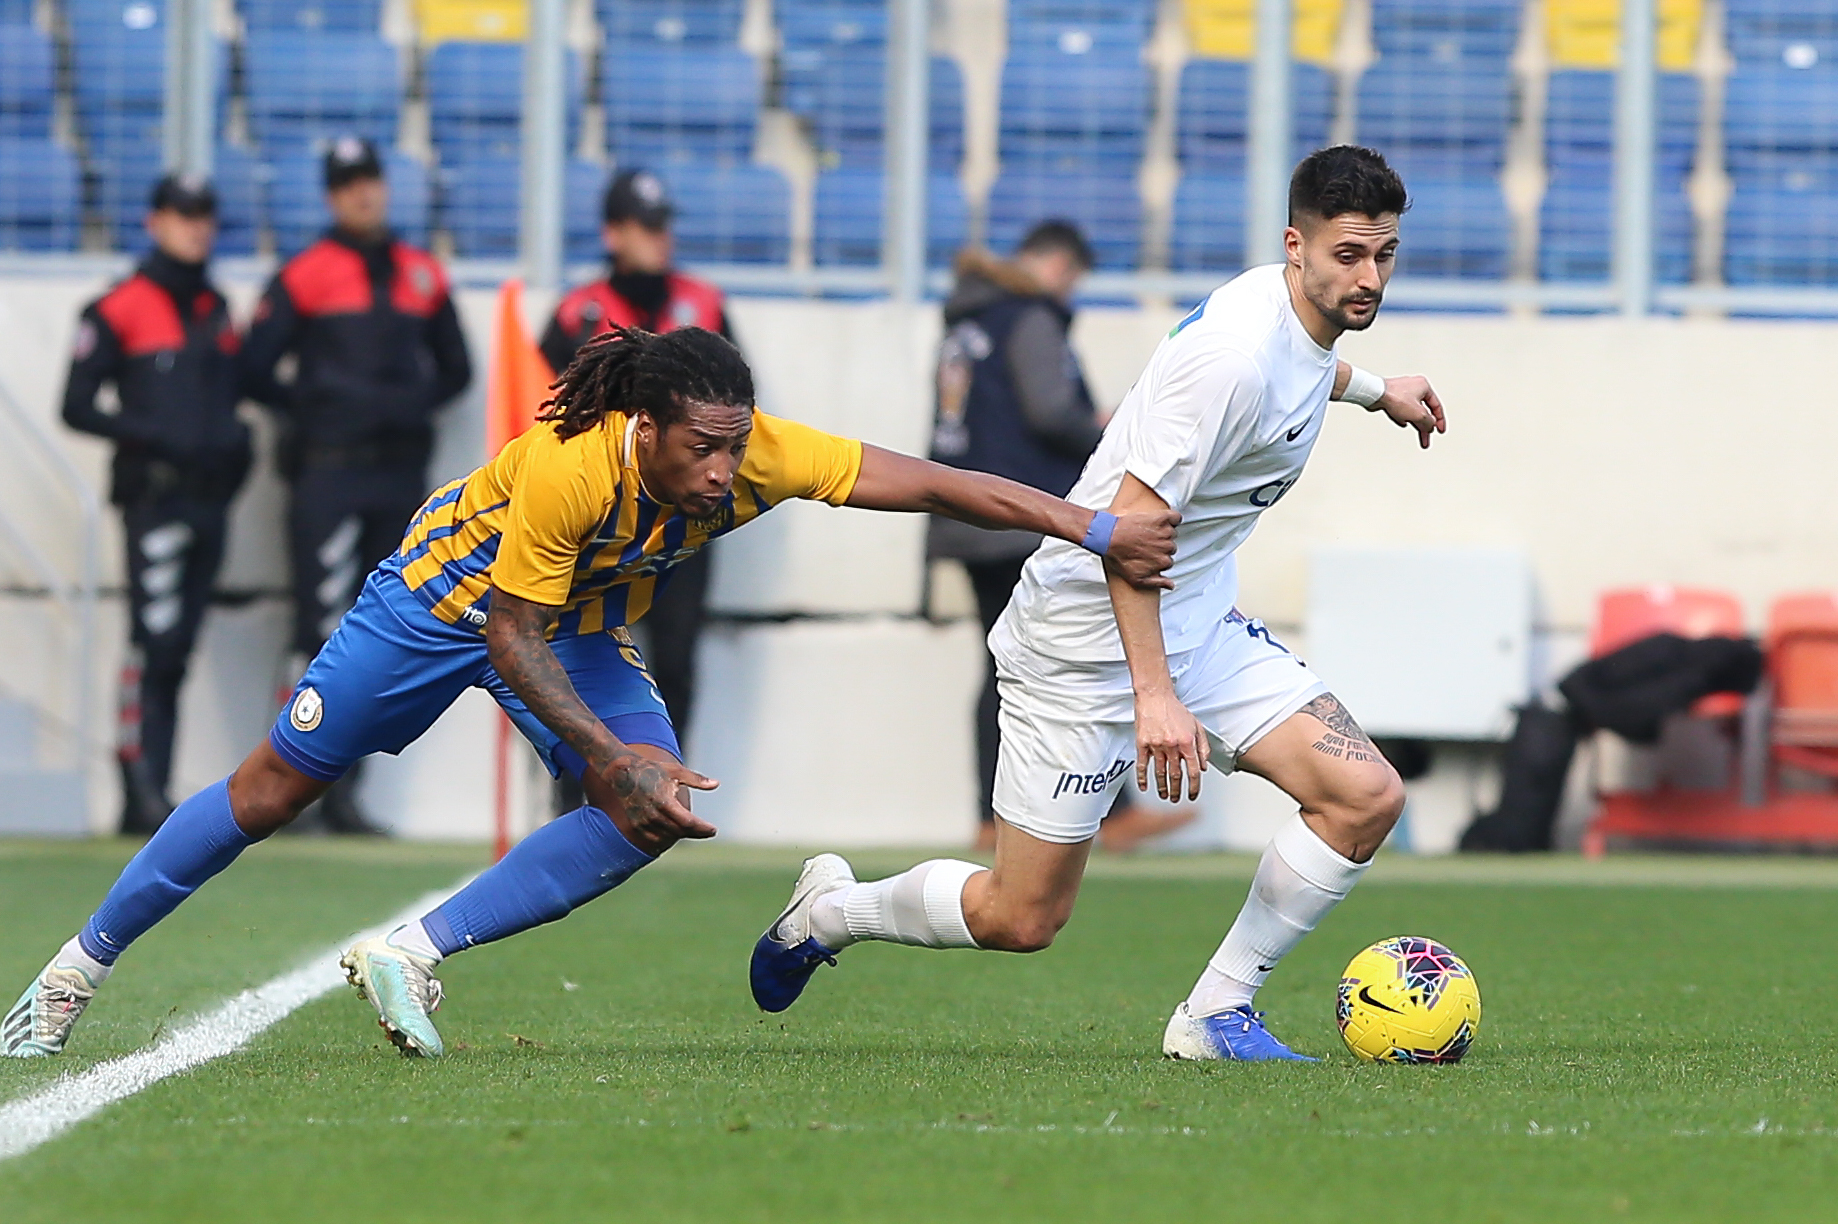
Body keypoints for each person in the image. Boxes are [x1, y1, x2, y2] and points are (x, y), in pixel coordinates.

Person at [2, 325, 1179, 1060]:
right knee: (268, 791)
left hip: (573, 623)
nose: (722, 472)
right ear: (642, 426)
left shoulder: (754, 452)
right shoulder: (574, 467)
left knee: (647, 811)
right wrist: (602, 753)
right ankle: (72, 973)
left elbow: (932, 485)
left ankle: (410, 950)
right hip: (446, 602)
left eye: (734, 447)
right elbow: (508, 634)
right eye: (700, 449)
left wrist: (1088, 526)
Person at [749, 145, 1447, 1062]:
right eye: (1349, 255)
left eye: (1385, 255)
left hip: (1197, 625)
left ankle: (1215, 1013)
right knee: (1020, 917)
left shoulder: (1293, 321)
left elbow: (1308, 367)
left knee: (1364, 797)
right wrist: (1154, 696)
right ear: (1295, 246)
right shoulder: (1230, 362)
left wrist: (1377, 391)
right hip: (1081, 646)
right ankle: (832, 912)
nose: (1369, 278)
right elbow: (1129, 534)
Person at [931, 219, 1194, 854]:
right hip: (1020, 513)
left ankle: (998, 817)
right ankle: (1099, 813)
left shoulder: (968, 320)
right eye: (1072, 280)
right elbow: (1050, 410)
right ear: (1057, 265)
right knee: (1072, 657)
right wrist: (1106, 431)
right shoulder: (1029, 315)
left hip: (968, 510)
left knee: (1005, 663)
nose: (1069, 292)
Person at [240, 135, 473, 834]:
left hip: (398, 478)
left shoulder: (421, 275)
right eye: (347, 184)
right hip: (329, 473)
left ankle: (344, 796)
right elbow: (252, 369)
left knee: (386, 637)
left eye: (369, 179)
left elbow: (457, 369)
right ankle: (287, 787)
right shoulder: (305, 275)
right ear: (330, 196)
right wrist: (316, 413)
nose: (362, 194)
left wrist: (405, 407)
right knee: (319, 629)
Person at [60, 173, 252, 834]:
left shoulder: (216, 308)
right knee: (155, 645)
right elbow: (75, 405)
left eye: (204, 215)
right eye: (182, 214)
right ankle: (138, 789)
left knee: (179, 648)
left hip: (209, 502)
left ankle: (157, 789)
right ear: (155, 222)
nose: (196, 227)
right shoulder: (117, 307)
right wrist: (151, 435)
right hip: (156, 503)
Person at [540, 169, 730, 745]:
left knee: (675, 658)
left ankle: (670, 778)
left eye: (663, 225)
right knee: (579, 654)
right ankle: (576, 783)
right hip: (595, 517)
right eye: (646, 227)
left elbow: (738, 404)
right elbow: (546, 415)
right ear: (613, 233)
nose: (660, 238)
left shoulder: (704, 305)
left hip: (682, 517)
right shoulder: (578, 314)